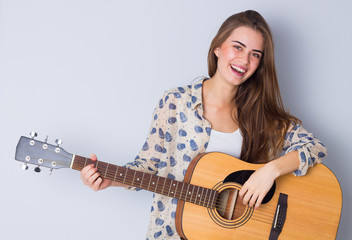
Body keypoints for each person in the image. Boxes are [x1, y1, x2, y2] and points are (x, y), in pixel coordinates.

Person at [80, 10, 327, 239]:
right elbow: (150, 166)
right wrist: (111, 179)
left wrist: (270, 171)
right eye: (238, 47)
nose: (244, 59)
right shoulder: (175, 102)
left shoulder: (260, 116)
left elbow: (315, 147)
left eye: (255, 54)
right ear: (218, 48)